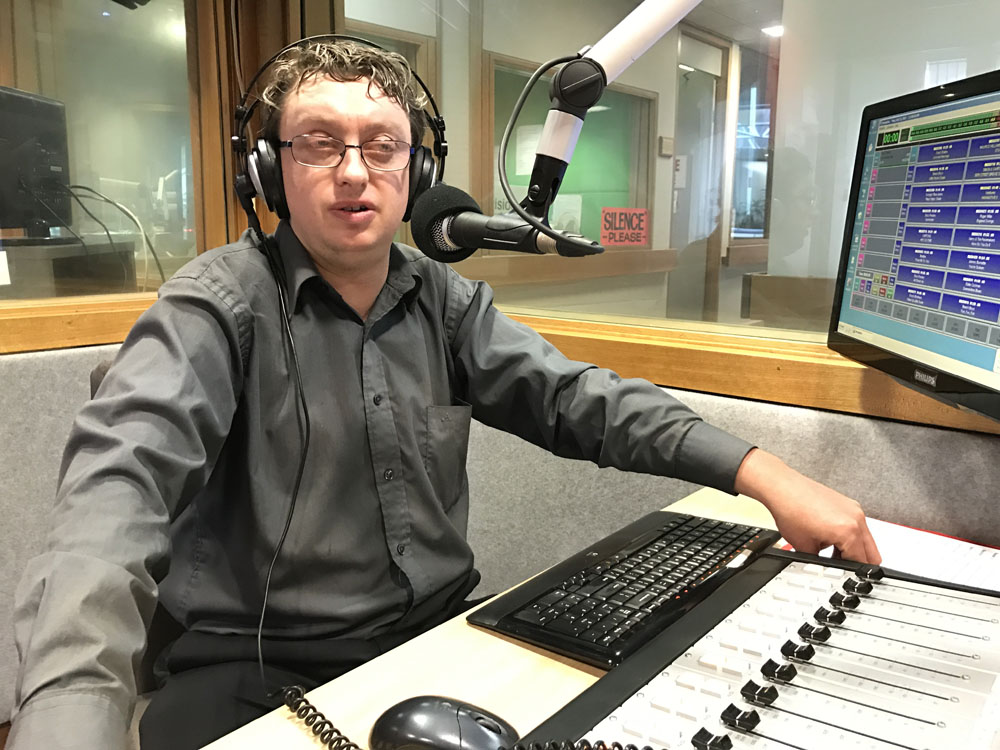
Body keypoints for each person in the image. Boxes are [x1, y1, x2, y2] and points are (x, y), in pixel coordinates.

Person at [7, 39, 881, 750]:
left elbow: (580, 399)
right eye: (318, 142)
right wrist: (65, 715)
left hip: (433, 641)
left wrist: (761, 471)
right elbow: (109, 509)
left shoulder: (447, 300)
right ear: (270, 171)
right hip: (250, 666)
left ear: (418, 173)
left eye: (382, 146)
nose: (354, 171)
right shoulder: (213, 309)